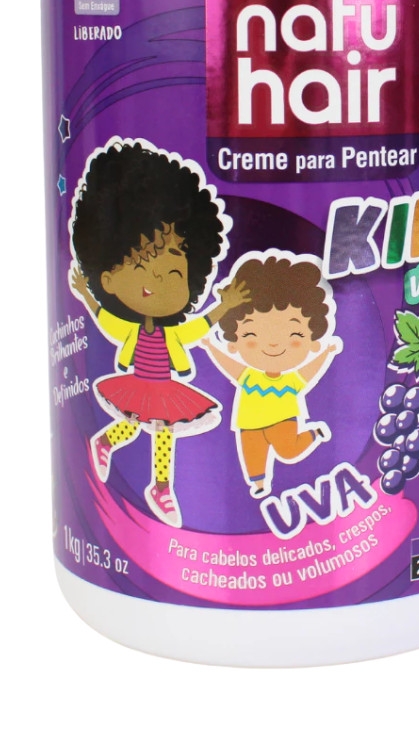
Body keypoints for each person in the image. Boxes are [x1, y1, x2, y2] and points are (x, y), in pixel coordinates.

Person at [69, 139, 247, 527]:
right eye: (142, 268)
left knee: (159, 429)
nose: (161, 282)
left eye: (175, 273)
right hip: (140, 385)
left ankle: (160, 485)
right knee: (137, 425)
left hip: (165, 390)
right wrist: (85, 295)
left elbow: (198, 326)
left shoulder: (173, 332)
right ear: (108, 277)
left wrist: (225, 306)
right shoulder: (131, 326)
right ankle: (109, 444)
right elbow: (104, 319)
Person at [200, 253, 340, 497]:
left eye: (294, 335)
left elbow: (309, 372)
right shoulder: (249, 376)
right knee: (252, 455)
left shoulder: (290, 380)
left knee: (288, 450)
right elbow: (229, 366)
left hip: (283, 419)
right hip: (249, 423)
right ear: (233, 342)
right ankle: (259, 484)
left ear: (313, 341)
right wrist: (211, 347)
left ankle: (313, 434)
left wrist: (326, 353)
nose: (273, 343)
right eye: (252, 335)